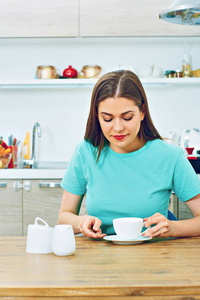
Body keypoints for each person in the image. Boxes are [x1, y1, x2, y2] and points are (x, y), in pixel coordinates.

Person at [58, 70, 200, 239]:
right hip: (98, 257)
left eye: (127, 117)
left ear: (142, 112)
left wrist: (173, 228)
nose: (118, 128)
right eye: (108, 119)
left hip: (154, 257)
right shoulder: (85, 152)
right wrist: (81, 222)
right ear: (97, 116)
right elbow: (64, 218)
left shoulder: (171, 156)